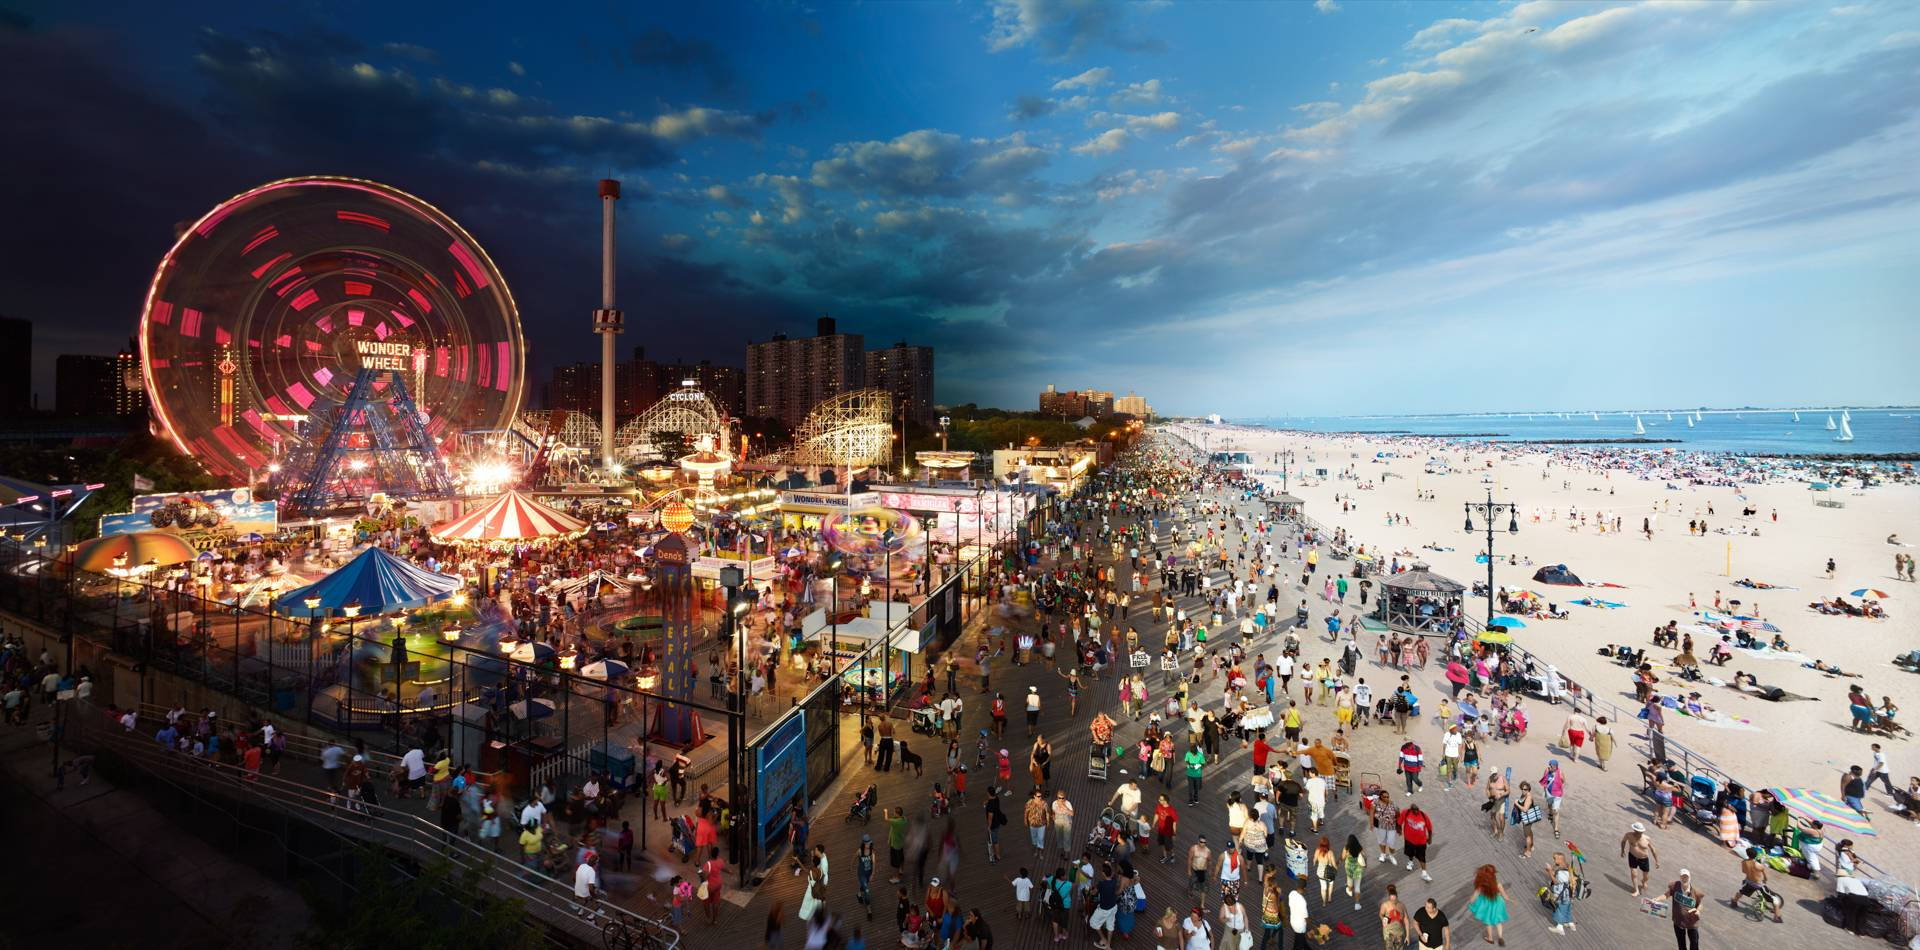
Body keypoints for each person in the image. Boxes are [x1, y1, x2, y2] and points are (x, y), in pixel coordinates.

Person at [1466, 864, 1510, 946]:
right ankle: (1500, 937)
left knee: (1488, 922)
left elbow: (1473, 898)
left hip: (1486, 905)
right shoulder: (1498, 884)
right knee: (1498, 921)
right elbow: (1505, 896)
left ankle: (1490, 938)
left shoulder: (1481, 886)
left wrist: (1470, 901)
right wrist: (1507, 898)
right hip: (1497, 903)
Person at [1734, 847, 1782, 923]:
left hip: (1749, 882)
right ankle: (1777, 917)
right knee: (1775, 900)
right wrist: (1765, 880)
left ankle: (1734, 902)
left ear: (1747, 854)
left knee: (1741, 892)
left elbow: (1744, 871)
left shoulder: (1743, 862)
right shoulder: (1759, 866)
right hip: (1759, 885)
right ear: (1756, 855)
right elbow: (1765, 877)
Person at [1620, 821, 1660, 896]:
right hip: (1632, 856)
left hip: (1644, 859)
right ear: (1634, 830)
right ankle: (1636, 890)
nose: (1639, 833)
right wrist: (1622, 850)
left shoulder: (1647, 839)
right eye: (1638, 831)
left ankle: (1644, 881)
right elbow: (1623, 842)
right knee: (1634, 873)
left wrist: (1657, 861)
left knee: (1646, 877)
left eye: (1641, 832)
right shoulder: (1628, 835)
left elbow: (1653, 849)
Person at [1397, 803, 1433, 882]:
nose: (1416, 812)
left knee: (1422, 857)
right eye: (1414, 810)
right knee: (1410, 853)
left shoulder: (1423, 815)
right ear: (1411, 810)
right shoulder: (1406, 813)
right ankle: (1410, 861)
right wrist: (1399, 830)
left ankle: (1424, 873)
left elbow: (1430, 828)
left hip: (1421, 841)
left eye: (1417, 810)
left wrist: (1430, 839)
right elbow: (1399, 822)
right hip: (1409, 840)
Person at [1668, 869, 1704, 950]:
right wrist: (1656, 899)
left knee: (1694, 944)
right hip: (1679, 921)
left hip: (1692, 922)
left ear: (1689, 878)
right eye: (1682, 877)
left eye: (1686, 877)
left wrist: (1698, 911)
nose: (1684, 879)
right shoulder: (1675, 886)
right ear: (1680, 878)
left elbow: (1700, 904)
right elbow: (1666, 895)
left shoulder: (1695, 892)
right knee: (1681, 945)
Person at [1377, 884, 1408, 950]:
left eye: (1395, 900)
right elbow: (1381, 914)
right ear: (1389, 898)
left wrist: (1408, 935)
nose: (1393, 902)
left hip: (1400, 933)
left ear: (1397, 897)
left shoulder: (1401, 905)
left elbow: (1406, 919)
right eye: (1392, 900)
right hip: (1389, 933)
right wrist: (1383, 919)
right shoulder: (1385, 905)